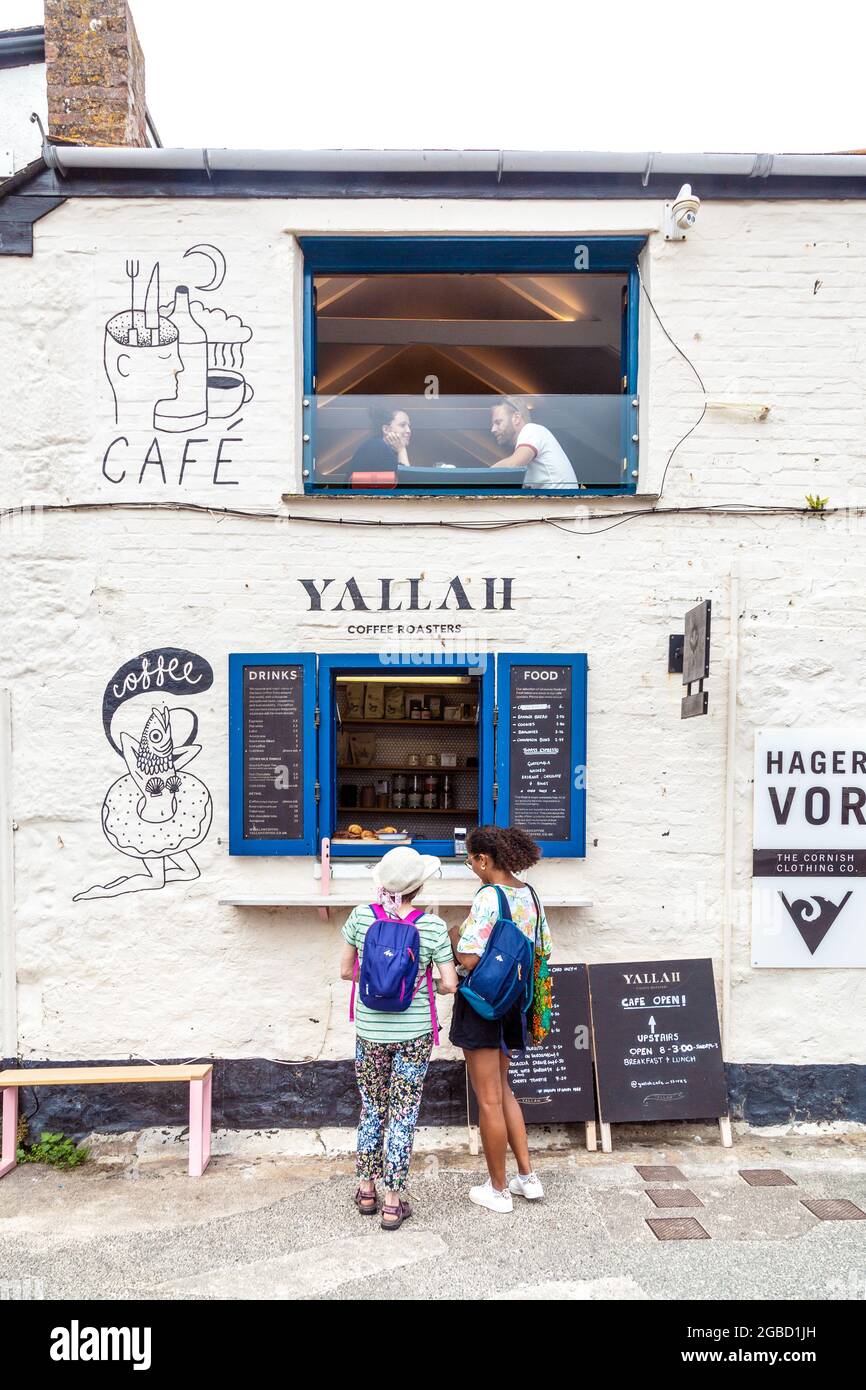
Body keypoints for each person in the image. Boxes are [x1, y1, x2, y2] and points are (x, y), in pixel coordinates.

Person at [340, 846, 458, 1229]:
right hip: (414, 1034)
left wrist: (378, 982)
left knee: (372, 1108)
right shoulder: (432, 927)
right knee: (403, 1113)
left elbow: (346, 972)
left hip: (371, 1032)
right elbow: (450, 983)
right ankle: (393, 1202)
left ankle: (366, 1190)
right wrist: (425, 986)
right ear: (419, 887)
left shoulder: (360, 918)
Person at [449, 825, 553, 1213]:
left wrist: (455, 932)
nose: (471, 867)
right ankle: (527, 1178)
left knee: (488, 1099)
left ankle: (497, 1190)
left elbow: (469, 958)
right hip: (514, 1004)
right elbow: (543, 949)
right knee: (504, 1090)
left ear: (483, 860)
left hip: (482, 1003)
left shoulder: (488, 896)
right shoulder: (530, 895)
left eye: (471, 860)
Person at [489, 397, 579, 489]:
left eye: (498, 422)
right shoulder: (527, 446)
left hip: (563, 501)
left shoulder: (531, 430)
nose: (493, 429)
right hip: (559, 501)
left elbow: (513, 465)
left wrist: (483, 475)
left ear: (516, 418)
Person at [348, 405, 413, 473]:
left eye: (409, 426)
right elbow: (407, 479)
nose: (408, 430)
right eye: (402, 425)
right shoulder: (376, 446)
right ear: (386, 429)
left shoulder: (380, 447)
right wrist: (401, 450)